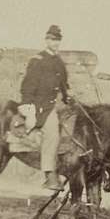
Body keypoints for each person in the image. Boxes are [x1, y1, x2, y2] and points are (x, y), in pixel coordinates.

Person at [19, 24, 70, 190]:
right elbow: (28, 84)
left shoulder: (59, 62)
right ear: (46, 40)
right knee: (52, 134)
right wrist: (28, 105)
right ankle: (49, 175)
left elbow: (64, 85)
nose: (55, 43)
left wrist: (69, 98)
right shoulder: (37, 60)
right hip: (40, 105)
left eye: (58, 40)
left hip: (55, 103)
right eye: (52, 39)